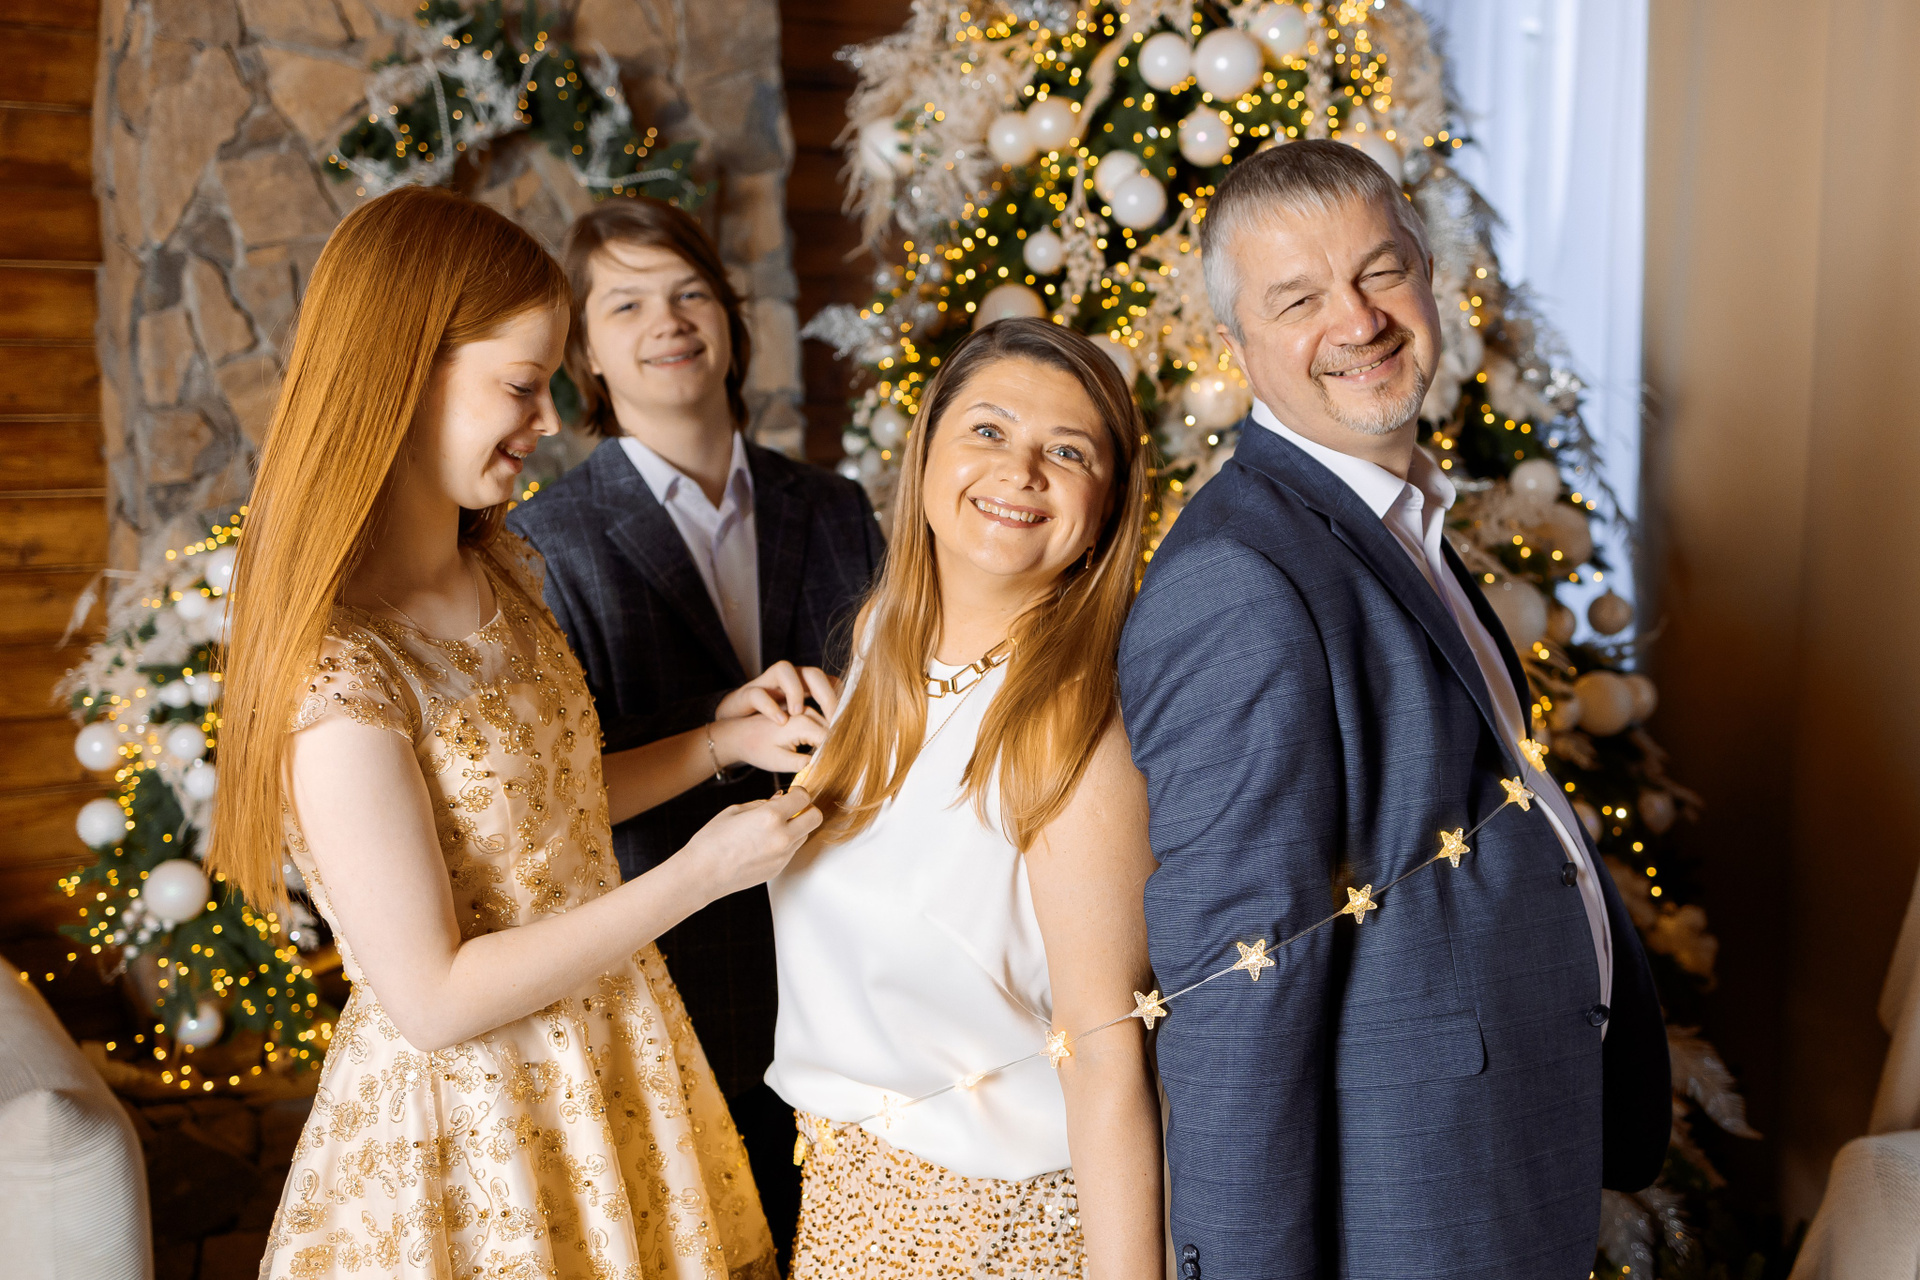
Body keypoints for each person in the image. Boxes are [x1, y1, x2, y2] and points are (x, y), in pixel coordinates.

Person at [210, 186, 827, 1280]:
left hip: (619, 1058)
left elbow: (545, 813)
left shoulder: (497, 566)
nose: (548, 419)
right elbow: (434, 997)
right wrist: (699, 874)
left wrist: (717, 743)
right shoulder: (336, 663)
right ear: (408, 373)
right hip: (478, 1127)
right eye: (522, 385)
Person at [1117, 140, 1672, 1277]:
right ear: (1237, 345)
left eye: (1380, 272)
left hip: (1495, 1161)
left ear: (1426, 275)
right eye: (1299, 299)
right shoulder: (1237, 579)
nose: (1359, 320)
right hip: (1407, 1206)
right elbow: (1239, 988)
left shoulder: (1398, 516)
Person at [506, 199, 883, 1247]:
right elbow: (561, 774)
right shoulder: (542, 542)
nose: (667, 321)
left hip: (852, 960)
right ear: (585, 352)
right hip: (678, 975)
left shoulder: (836, 505)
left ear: (726, 314)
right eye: (626, 304)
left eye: (688, 293)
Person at [767, 318, 1165, 1277]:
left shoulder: (1067, 723)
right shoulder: (883, 644)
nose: (1020, 470)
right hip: (843, 1211)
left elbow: (1106, 1059)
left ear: (1107, 507)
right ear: (927, 454)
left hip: (1002, 1232)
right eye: (988, 430)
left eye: (1067, 452)